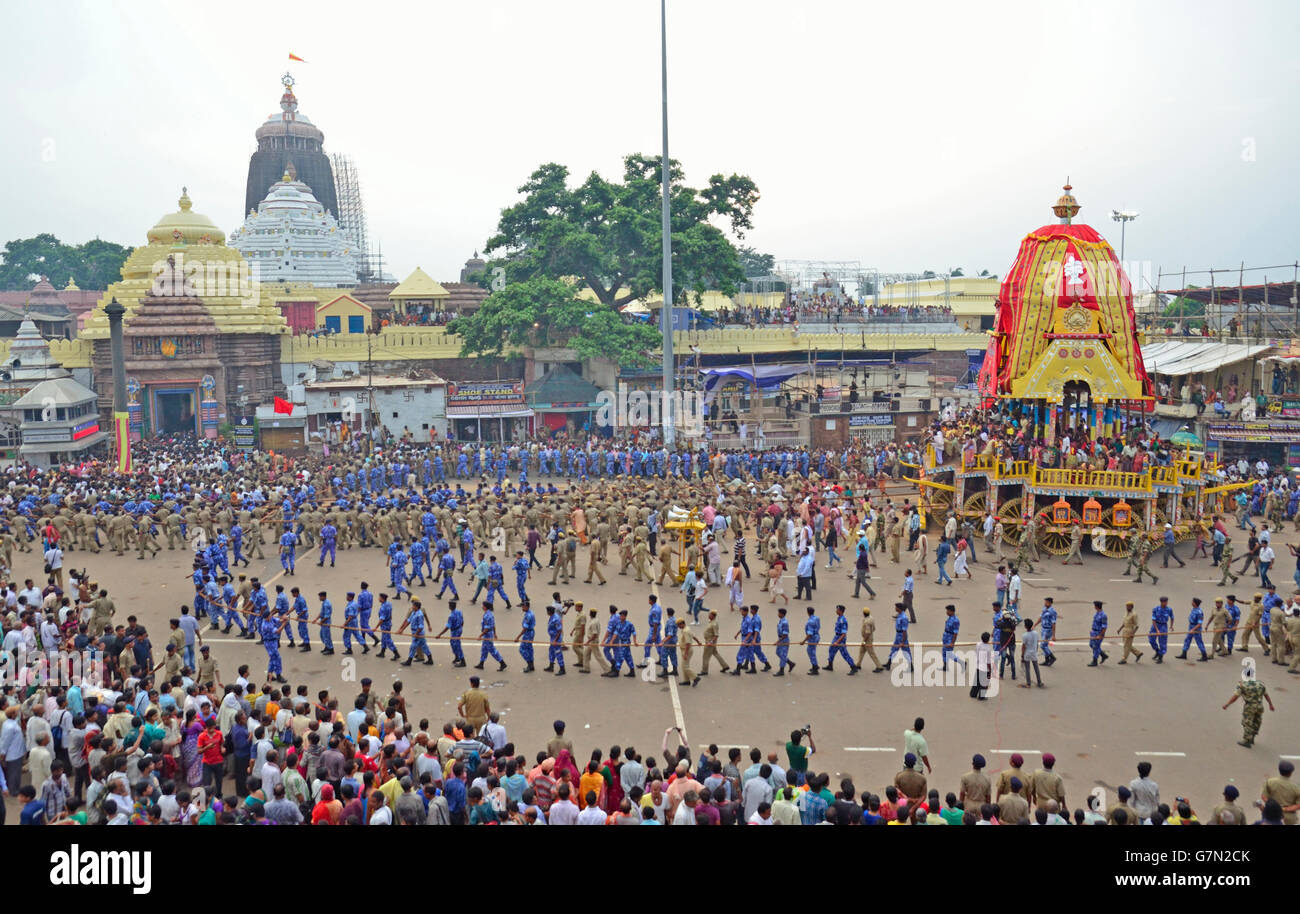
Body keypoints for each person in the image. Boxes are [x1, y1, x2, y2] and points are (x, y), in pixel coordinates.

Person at [1222, 667, 1274, 748]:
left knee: (1247, 722)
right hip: (1260, 705)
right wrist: (1270, 705)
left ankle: (1247, 740)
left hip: (1250, 706)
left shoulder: (1242, 685)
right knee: (1257, 720)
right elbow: (1266, 695)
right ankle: (1253, 737)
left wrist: (1227, 704)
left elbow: (1235, 697)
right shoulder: (1260, 684)